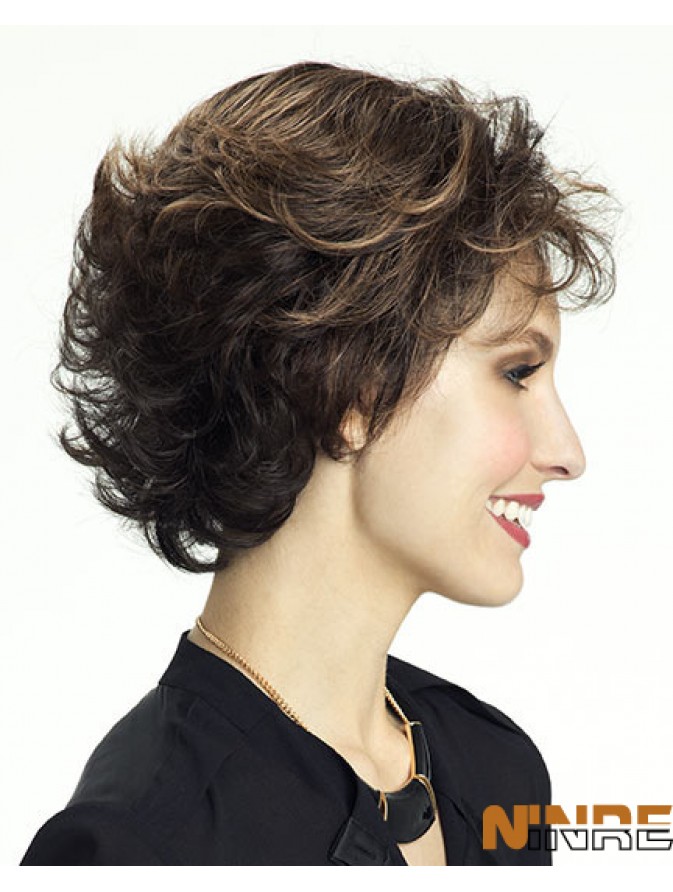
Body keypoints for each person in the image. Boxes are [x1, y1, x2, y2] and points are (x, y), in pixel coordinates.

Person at [20, 61, 616, 866]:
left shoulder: (495, 770)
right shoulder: (144, 846)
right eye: (516, 372)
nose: (566, 454)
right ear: (348, 387)